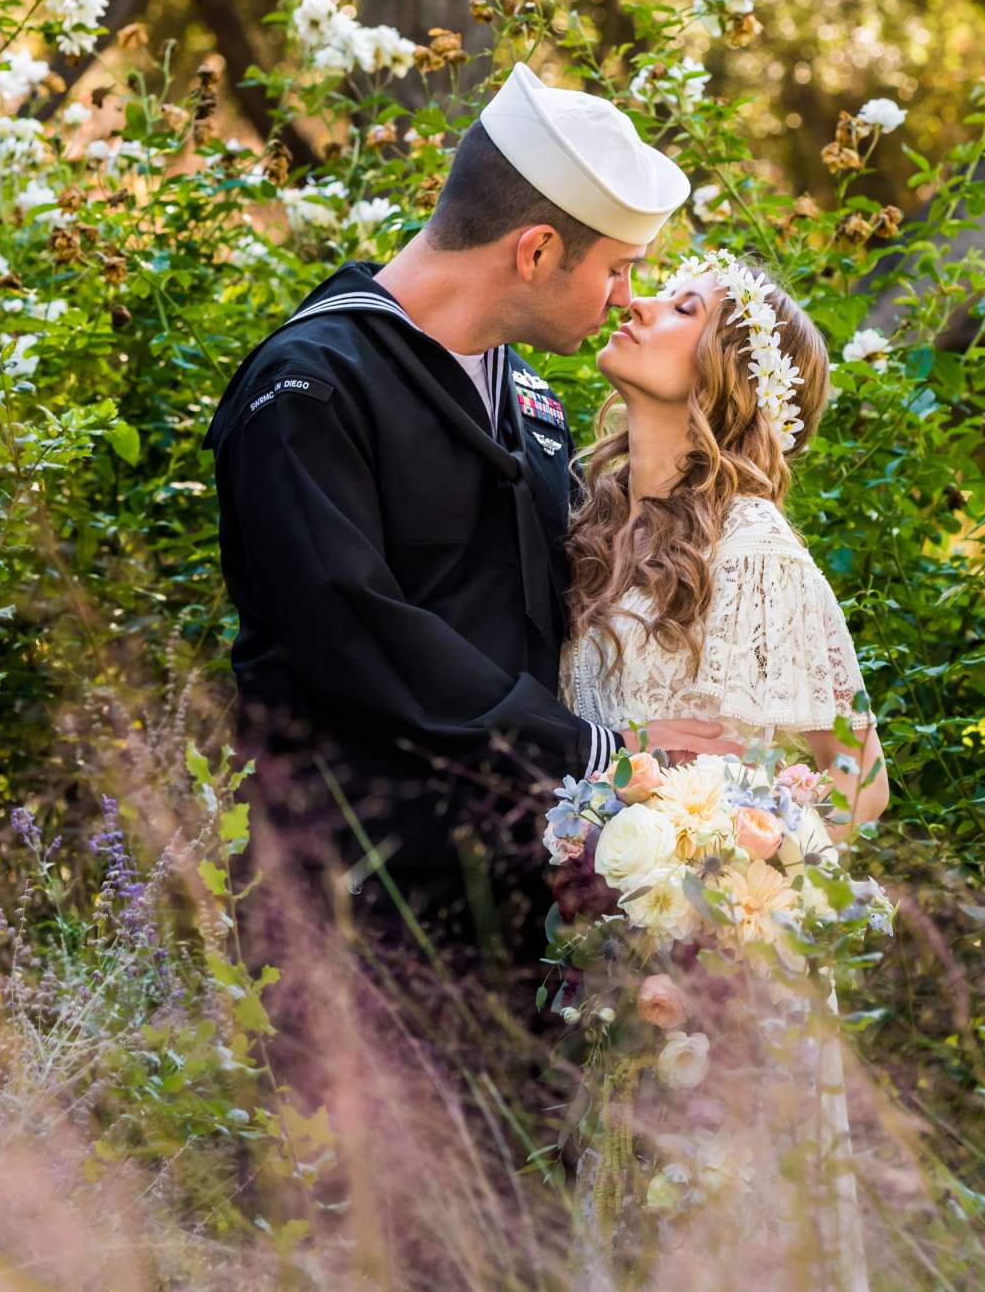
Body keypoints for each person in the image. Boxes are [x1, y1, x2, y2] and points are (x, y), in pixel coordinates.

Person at [204, 63, 737, 1001]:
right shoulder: (313, 387)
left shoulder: (529, 399)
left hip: (510, 902)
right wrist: (599, 755)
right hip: (352, 897)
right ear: (536, 252)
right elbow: (357, 631)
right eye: (615, 268)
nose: (624, 298)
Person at [554, 249, 888, 1290]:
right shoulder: (578, 516)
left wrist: (742, 869)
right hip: (600, 950)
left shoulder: (756, 548)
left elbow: (861, 781)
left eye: (683, 305)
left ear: (724, 374)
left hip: (725, 975)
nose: (641, 300)